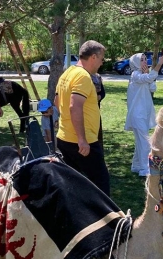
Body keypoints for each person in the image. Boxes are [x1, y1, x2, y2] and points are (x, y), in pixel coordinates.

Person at [55, 40, 110, 196]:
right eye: (101, 59)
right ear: (93, 57)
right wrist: (82, 139)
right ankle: (107, 219)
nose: (101, 63)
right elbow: (74, 106)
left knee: (71, 184)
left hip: (65, 138)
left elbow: (57, 102)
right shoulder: (83, 76)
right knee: (101, 184)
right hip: (84, 142)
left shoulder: (68, 72)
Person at [124, 52, 163, 177]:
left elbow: (152, 87)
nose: (144, 61)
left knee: (140, 141)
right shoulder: (135, 75)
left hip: (144, 113)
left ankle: (136, 166)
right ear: (135, 63)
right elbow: (148, 79)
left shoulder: (143, 75)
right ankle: (145, 168)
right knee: (145, 142)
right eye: (141, 60)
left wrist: (148, 74)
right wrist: (159, 64)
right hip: (137, 115)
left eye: (144, 59)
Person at [91, 73, 106, 148]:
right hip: (86, 112)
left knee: (97, 134)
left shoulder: (97, 76)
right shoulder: (83, 77)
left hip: (96, 111)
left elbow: (103, 93)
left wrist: (99, 97)